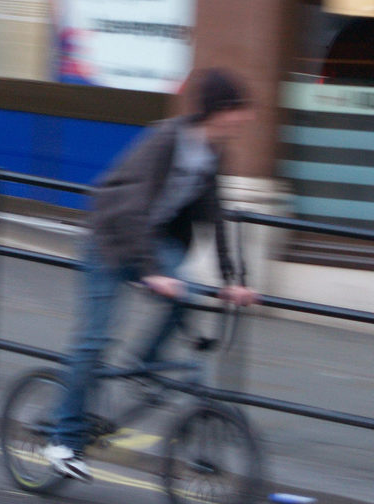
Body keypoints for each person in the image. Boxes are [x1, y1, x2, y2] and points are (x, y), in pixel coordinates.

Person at [42, 68, 259, 482]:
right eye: (240, 111)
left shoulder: (213, 153)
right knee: (95, 340)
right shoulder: (165, 142)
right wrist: (153, 272)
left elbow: (215, 215)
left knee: (189, 292)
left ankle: (145, 362)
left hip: (151, 240)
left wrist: (231, 280)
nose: (245, 120)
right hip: (110, 240)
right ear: (220, 110)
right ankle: (63, 440)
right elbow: (133, 208)